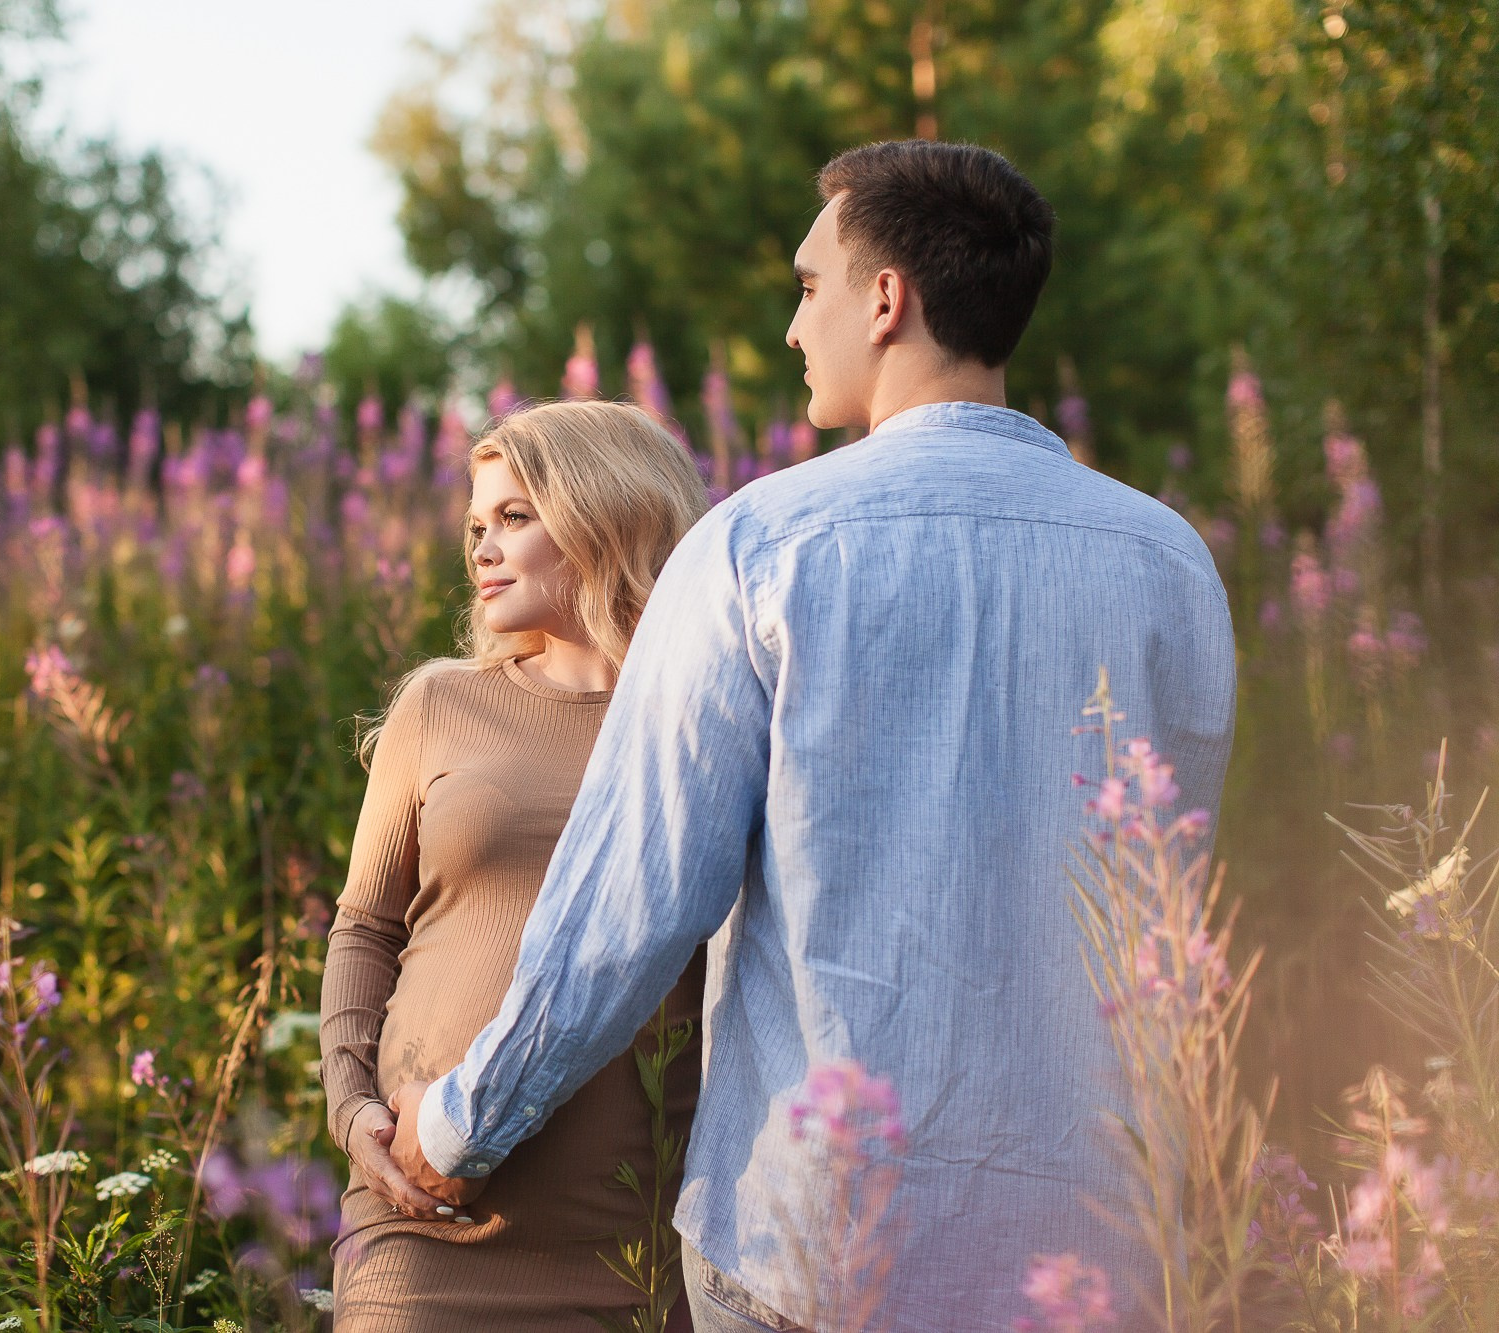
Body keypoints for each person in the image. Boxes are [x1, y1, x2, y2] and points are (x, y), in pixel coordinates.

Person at [386, 140, 1238, 1330]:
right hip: (1094, 1248)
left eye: (806, 287)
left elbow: (630, 900)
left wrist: (456, 1126)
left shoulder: (755, 551)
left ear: (883, 300)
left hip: (815, 1250)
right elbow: (1165, 896)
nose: (794, 329)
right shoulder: (1167, 563)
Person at [319, 400, 713, 1330]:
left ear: (602, 513)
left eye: (513, 518)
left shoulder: (700, 720)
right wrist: (352, 1108)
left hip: (630, 1237)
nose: (482, 549)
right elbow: (364, 927)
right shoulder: (440, 703)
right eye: (474, 527)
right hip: (420, 1219)